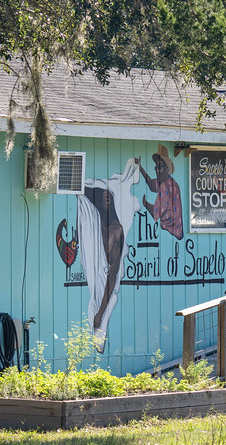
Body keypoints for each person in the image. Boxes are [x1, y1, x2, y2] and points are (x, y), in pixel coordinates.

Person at [75, 159, 141, 354]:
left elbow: (113, 274)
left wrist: (101, 311)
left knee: (107, 305)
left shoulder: (116, 230)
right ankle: (97, 326)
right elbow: (83, 191)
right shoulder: (95, 218)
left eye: (109, 197)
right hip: (97, 274)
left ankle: (98, 326)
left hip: (106, 279)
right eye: (103, 196)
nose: (106, 198)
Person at [138, 144, 183, 240]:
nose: (157, 171)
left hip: (170, 233)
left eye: (160, 167)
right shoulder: (169, 181)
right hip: (174, 233)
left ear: (166, 168)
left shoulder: (165, 187)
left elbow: (155, 213)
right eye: (156, 168)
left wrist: (145, 204)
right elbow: (151, 185)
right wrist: (140, 168)